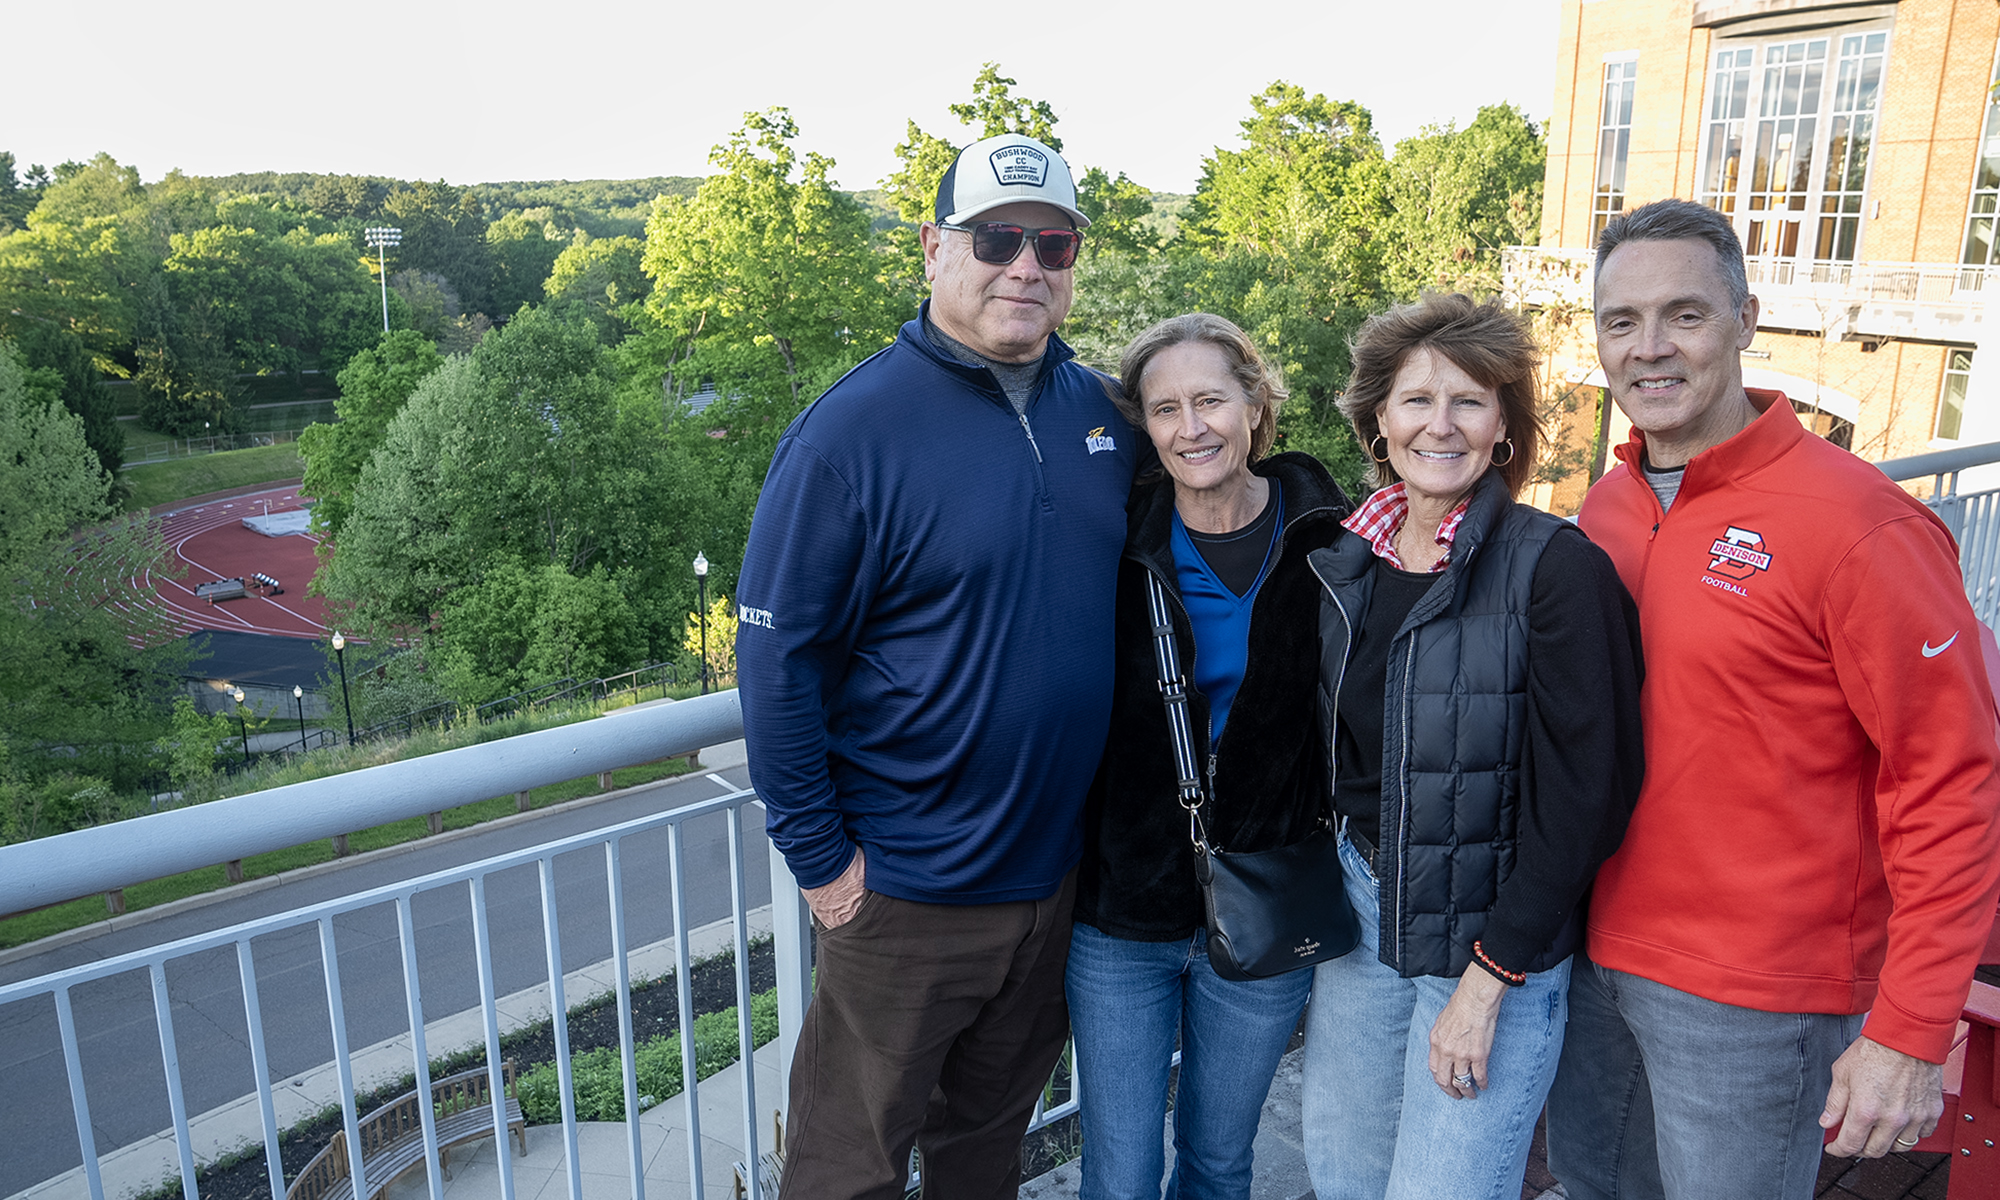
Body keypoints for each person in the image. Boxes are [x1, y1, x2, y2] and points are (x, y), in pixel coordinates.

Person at [1543, 198, 2000, 1200]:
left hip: (1757, 1000)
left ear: (1745, 322)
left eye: (1684, 315)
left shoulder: (1860, 524)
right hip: (1591, 959)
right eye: (1620, 322)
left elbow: (1951, 778)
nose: (1648, 349)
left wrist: (1912, 1028)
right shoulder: (1607, 507)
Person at [734, 132, 1143, 1200]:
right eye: (996, 236)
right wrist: (826, 871)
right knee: (846, 1172)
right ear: (931, 247)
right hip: (904, 895)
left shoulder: (1101, 414)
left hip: (1051, 887)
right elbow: (777, 666)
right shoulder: (847, 435)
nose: (1025, 265)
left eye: (1051, 244)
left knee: (981, 1161)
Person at [1300, 293, 1646, 1200]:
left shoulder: (1556, 568)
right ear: (1379, 421)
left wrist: (1490, 981)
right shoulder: (1344, 561)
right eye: (1416, 400)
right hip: (1362, 912)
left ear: (1503, 428)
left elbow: (1588, 796)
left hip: (1493, 943)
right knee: (1342, 1176)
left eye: (1469, 402)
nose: (1439, 425)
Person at [1066, 313, 1350, 1199]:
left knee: (1221, 1163)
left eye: (1211, 401)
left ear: (1256, 405)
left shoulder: (1330, 540)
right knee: (1121, 1174)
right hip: (1124, 914)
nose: (1191, 427)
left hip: (1266, 902)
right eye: (1165, 409)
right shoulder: (1112, 545)